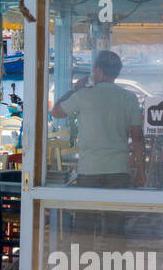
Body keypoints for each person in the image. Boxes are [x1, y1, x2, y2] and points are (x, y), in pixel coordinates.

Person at [50, 49, 146, 188]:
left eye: (93, 69)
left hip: (90, 169)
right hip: (119, 169)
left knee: (89, 209)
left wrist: (74, 89)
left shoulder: (83, 95)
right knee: (116, 209)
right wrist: (141, 171)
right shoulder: (129, 98)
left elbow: (56, 112)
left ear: (99, 70)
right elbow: (137, 138)